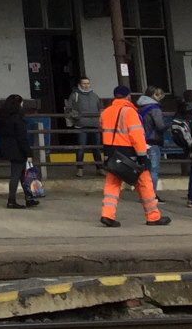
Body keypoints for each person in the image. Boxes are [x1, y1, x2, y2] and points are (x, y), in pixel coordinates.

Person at [98, 84, 166, 228]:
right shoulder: (129, 112)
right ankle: (153, 216)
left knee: (112, 185)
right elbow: (137, 136)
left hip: (112, 153)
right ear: (128, 96)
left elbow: (103, 132)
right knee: (145, 183)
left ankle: (107, 215)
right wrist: (142, 156)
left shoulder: (105, 112)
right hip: (130, 154)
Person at [0, 94, 39, 209]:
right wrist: (28, 153)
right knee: (16, 174)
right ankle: (12, 200)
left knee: (22, 173)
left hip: (6, 147)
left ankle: (29, 197)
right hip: (17, 149)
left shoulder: (2, 117)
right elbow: (21, 138)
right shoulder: (18, 118)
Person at [65, 78, 103, 176]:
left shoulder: (95, 96)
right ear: (79, 84)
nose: (86, 85)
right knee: (80, 148)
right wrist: (77, 117)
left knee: (97, 148)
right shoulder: (75, 95)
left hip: (95, 125)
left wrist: (99, 119)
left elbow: (100, 108)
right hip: (81, 125)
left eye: (88, 83)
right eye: (84, 83)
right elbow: (69, 108)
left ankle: (99, 168)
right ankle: (80, 168)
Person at [136, 86, 168, 193]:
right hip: (152, 141)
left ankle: (144, 192)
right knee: (154, 170)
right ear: (155, 95)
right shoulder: (155, 109)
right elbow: (160, 126)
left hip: (141, 140)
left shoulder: (140, 107)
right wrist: (168, 127)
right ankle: (151, 194)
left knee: (145, 169)